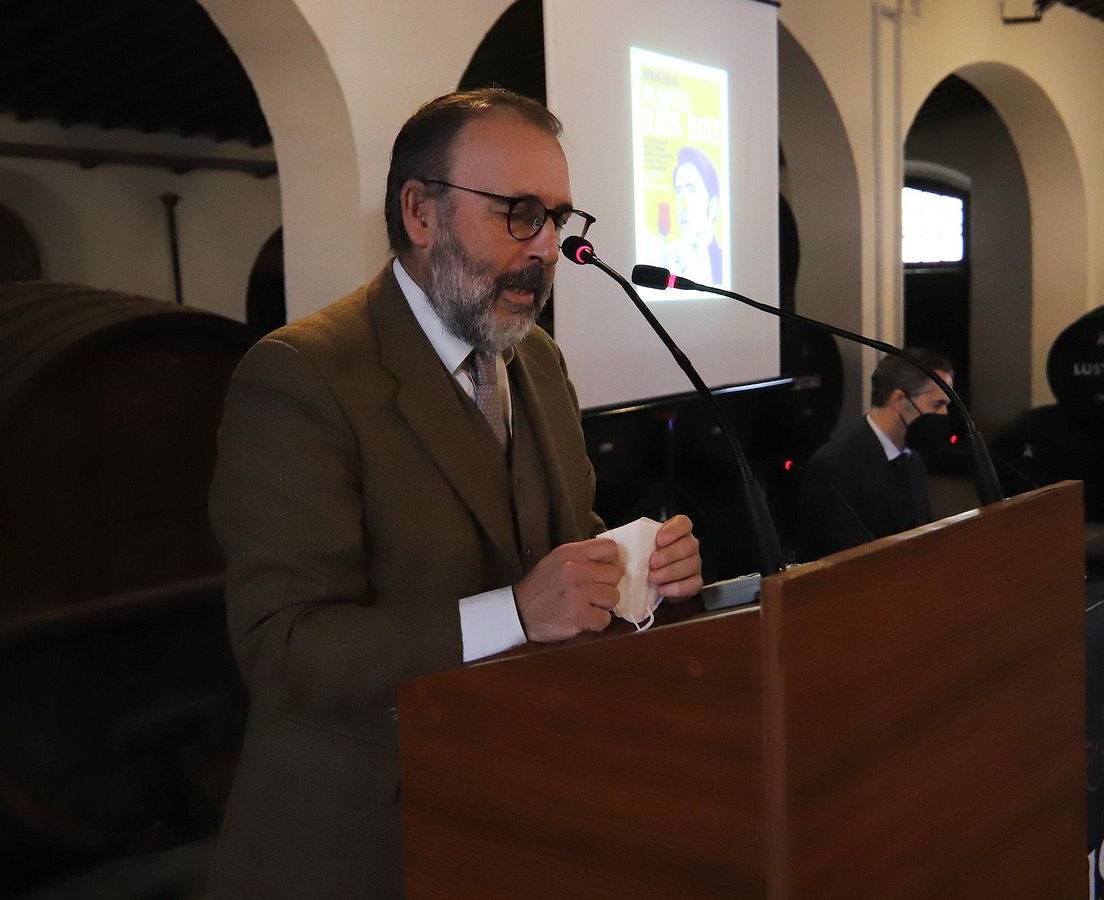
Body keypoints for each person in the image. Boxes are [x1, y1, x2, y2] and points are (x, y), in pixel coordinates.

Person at [206, 88, 704, 899]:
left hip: (519, 810)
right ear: (421, 212)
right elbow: (282, 648)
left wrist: (638, 563)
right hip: (364, 842)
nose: (547, 248)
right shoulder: (302, 375)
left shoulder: (537, 362)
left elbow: (553, 542)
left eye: (558, 218)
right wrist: (514, 611)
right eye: (518, 212)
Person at [794, 348, 955, 561]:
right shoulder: (835, 465)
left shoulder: (914, 459)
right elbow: (843, 557)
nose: (944, 415)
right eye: (937, 405)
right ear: (899, 400)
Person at [664, 145, 723, 285]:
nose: (683, 205)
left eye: (692, 191)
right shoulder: (667, 259)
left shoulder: (723, 261)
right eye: (678, 192)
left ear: (713, 205)